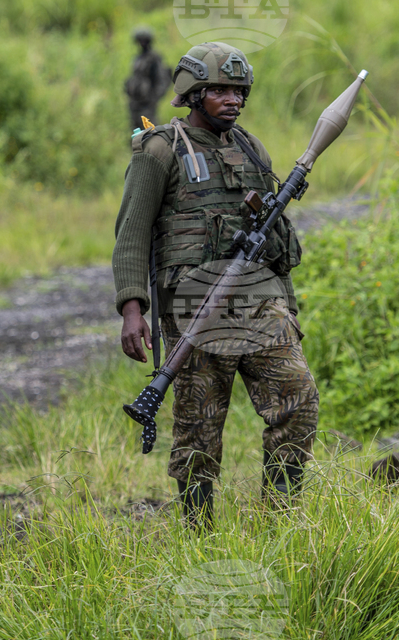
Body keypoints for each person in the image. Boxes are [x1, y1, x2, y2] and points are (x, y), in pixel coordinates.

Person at [112, 42, 319, 529]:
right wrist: (132, 309)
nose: (233, 100)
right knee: (199, 429)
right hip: (194, 307)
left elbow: (271, 232)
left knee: (299, 399)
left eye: (239, 91)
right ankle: (199, 530)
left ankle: (281, 519)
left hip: (259, 301)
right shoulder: (160, 150)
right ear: (193, 93)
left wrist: (287, 305)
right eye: (220, 90)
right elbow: (132, 234)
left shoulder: (250, 147)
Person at [124, 28, 171, 131]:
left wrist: (154, 98)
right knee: (136, 131)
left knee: (149, 130)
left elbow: (161, 79)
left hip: (147, 103)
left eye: (144, 41)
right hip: (135, 102)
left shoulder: (154, 58)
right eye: (140, 41)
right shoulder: (139, 58)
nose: (142, 44)